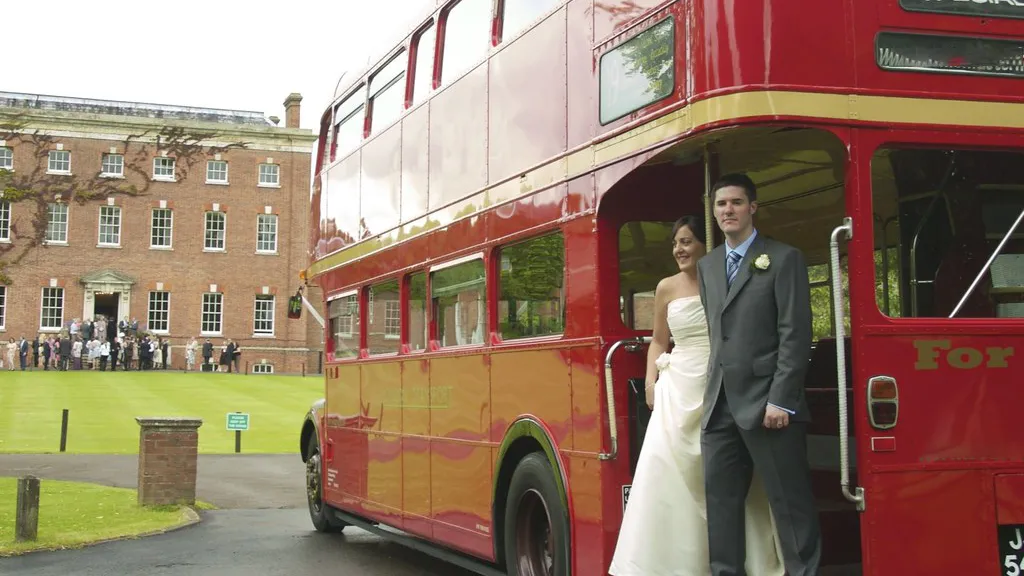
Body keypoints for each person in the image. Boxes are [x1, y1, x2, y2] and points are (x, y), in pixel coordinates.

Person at [609, 215, 784, 576]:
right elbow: (659, 340)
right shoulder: (665, 288)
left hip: (721, 382)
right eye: (676, 243)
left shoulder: (724, 279)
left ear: (706, 245)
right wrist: (650, 381)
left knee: (727, 474)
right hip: (677, 388)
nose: (679, 249)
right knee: (669, 472)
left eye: (687, 242)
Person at [698, 173, 821, 576]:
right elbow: (720, 332)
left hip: (770, 405)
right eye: (721, 204)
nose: (727, 210)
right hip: (719, 406)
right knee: (720, 506)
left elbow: (795, 333)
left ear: (753, 207)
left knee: (790, 505)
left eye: (735, 202)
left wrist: (781, 399)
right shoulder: (708, 265)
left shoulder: (783, 258)